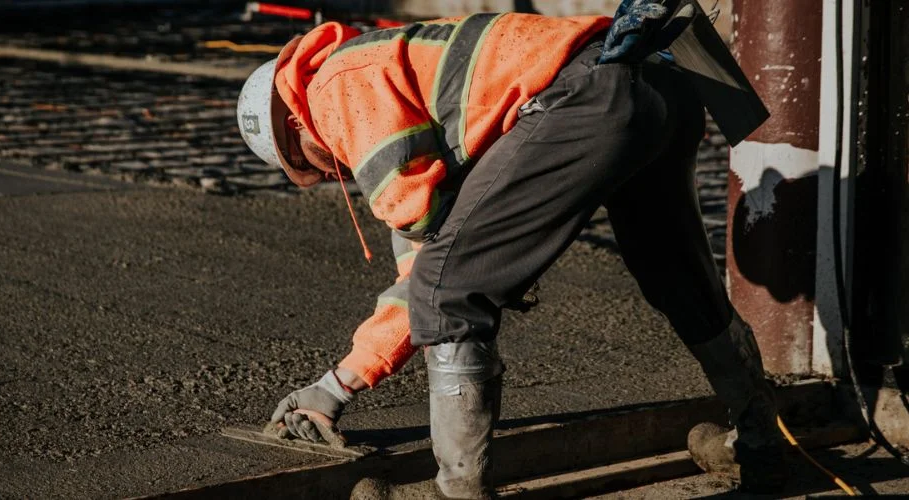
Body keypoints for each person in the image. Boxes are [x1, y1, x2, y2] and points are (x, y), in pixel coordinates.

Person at [236, 1, 786, 497]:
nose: (332, 172)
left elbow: (434, 276)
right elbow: (425, 252)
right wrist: (339, 386)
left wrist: (336, 386)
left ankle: (459, 491)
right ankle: (762, 444)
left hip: (586, 97)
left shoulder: (336, 89)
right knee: (678, 279)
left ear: (294, 123)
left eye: (312, 163)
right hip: (657, 85)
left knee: (447, 294)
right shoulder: (387, 71)